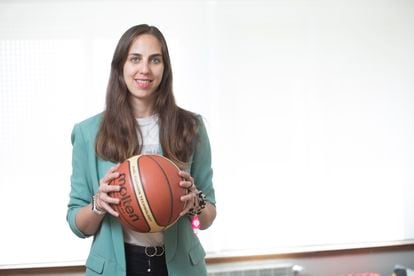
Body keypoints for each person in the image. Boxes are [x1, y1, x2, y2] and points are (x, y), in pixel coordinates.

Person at [66, 24, 216, 276]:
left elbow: (207, 218)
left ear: (165, 69)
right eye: (135, 59)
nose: (144, 69)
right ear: (120, 66)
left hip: (179, 268)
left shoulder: (191, 127)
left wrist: (195, 205)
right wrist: (99, 204)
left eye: (155, 60)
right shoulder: (87, 132)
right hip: (117, 268)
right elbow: (78, 226)